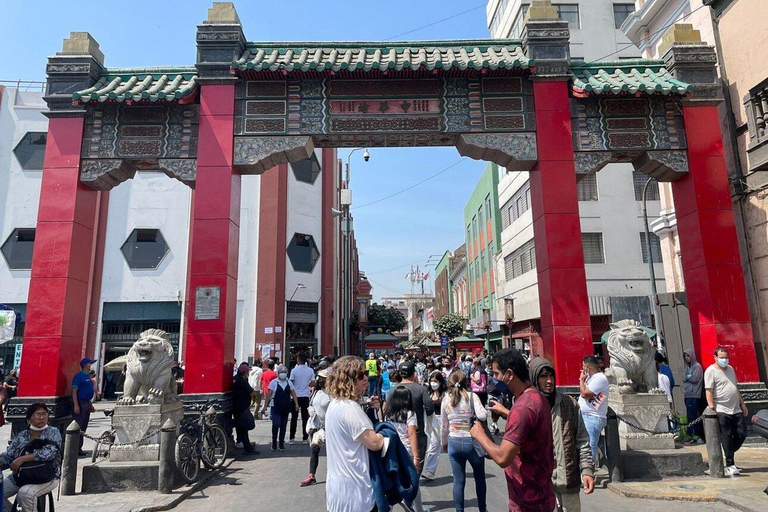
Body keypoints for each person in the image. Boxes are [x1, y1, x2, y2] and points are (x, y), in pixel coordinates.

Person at [470, 348, 555, 512]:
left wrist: (480, 435)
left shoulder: (522, 408)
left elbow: (503, 458)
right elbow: (530, 428)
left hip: (527, 500)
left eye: (496, 374)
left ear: (509, 374)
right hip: (542, 494)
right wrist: (506, 412)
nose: (494, 379)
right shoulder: (536, 397)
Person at [528, 357, 595, 512]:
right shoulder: (529, 407)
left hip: (568, 481)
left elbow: (583, 441)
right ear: (534, 378)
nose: (549, 381)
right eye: (543, 376)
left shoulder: (570, 404)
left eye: (551, 376)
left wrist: (587, 471)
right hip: (540, 484)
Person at [325, 356, 384, 512]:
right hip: (356, 492)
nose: (365, 378)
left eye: (365, 373)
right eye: (360, 375)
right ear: (348, 380)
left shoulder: (335, 404)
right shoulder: (350, 408)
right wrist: (387, 433)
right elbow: (375, 443)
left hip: (339, 490)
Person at [0, 403, 61, 512]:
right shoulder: (22, 435)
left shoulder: (53, 432)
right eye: (37, 415)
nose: (41, 417)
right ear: (28, 420)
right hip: (21, 475)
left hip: (46, 476)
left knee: (25, 493)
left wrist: (22, 459)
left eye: (44, 414)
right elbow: (9, 455)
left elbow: (49, 453)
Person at [441, 370, 487, 512]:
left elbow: (444, 426)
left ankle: (459, 510)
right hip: (472, 441)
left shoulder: (446, 399)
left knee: (458, 481)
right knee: (479, 478)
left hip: (454, 442)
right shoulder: (472, 397)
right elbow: (483, 415)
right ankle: (482, 508)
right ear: (466, 382)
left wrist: (444, 443)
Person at [704, 347, 749, 477]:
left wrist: (742, 403)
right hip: (721, 408)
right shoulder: (710, 371)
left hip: (735, 407)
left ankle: (728, 450)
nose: (724, 360)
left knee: (742, 433)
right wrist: (712, 406)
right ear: (715, 357)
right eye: (721, 357)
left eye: (726, 357)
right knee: (727, 435)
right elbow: (708, 390)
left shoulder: (730, 369)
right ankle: (730, 464)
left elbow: (734, 387)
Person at [388, 361, 435, 473]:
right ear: (414, 374)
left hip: (397, 432)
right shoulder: (421, 389)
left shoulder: (393, 390)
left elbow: (387, 408)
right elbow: (430, 408)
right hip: (417, 430)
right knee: (417, 461)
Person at [385, 386, 424, 512]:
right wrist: (416, 456)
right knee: (413, 480)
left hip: (393, 449)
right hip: (406, 450)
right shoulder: (409, 413)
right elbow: (412, 434)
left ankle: (389, 506)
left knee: (393, 479)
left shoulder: (389, 413)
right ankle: (416, 507)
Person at [300, 369, 331, 487]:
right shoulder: (316, 393)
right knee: (314, 449)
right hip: (317, 427)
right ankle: (311, 475)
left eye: (323, 378)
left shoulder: (332, 394)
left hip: (330, 428)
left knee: (332, 453)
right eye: (320, 378)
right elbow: (312, 405)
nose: (320, 381)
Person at [578, 355, 608, 466]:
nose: (582, 369)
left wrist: (581, 379)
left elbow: (585, 394)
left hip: (593, 417)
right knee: (585, 446)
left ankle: (590, 472)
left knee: (590, 446)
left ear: (587, 367)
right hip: (586, 415)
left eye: (583, 367)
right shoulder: (591, 378)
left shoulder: (600, 378)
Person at [261, 365, 300, 451]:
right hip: (276, 406)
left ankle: (281, 444)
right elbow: (269, 395)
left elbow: (293, 393)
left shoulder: (288, 382)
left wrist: (296, 404)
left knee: (283, 425)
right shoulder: (274, 382)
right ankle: (274, 442)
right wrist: (265, 406)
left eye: (284, 372)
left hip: (286, 406)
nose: (283, 374)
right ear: (278, 373)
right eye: (281, 372)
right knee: (276, 424)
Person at [422, 369, 446, 480]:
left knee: (447, 446)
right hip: (431, 421)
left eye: (436, 381)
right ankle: (429, 471)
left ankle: (457, 469)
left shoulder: (445, 394)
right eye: (431, 381)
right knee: (434, 445)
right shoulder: (427, 393)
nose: (433, 383)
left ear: (440, 382)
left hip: (444, 421)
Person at [72, 357, 97, 456]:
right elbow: (74, 392)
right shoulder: (79, 376)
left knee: (83, 428)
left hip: (86, 403)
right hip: (80, 403)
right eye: (90, 364)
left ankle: (79, 448)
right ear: (86, 365)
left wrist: (90, 404)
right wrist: (76, 405)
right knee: (78, 426)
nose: (91, 365)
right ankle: (74, 449)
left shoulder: (88, 376)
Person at [232, 363, 258, 455]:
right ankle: (233, 423)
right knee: (249, 424)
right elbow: (252, 393)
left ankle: (247, 447)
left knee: (243, 429)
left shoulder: (235, 379)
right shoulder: (242, 381)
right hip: (242, 408)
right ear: (244, 372)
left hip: (237, 407)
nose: (248, 373)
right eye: (247, 372)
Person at [289, 353, 315, 444]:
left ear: (298, 360)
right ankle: (305, 438)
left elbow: (291, 383)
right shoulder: (310, 370)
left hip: (295, 396)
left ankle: (292, 438)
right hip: (305, 396)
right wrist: (306, 385)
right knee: (305, 418)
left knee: (294, 418)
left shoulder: (294, 370)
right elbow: (313, 383)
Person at [682, 349, 704, 442]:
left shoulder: (697, 366)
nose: (687, 358)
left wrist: (688, 377)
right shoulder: (687, 367)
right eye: (685, 356)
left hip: (694, 394)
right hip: (687, 394)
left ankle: (692, 434)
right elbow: (683, 378)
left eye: (688, 356)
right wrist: (688, 376)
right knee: (690, 415)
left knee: (693, 416)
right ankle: (692, 434)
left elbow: (694, 378)